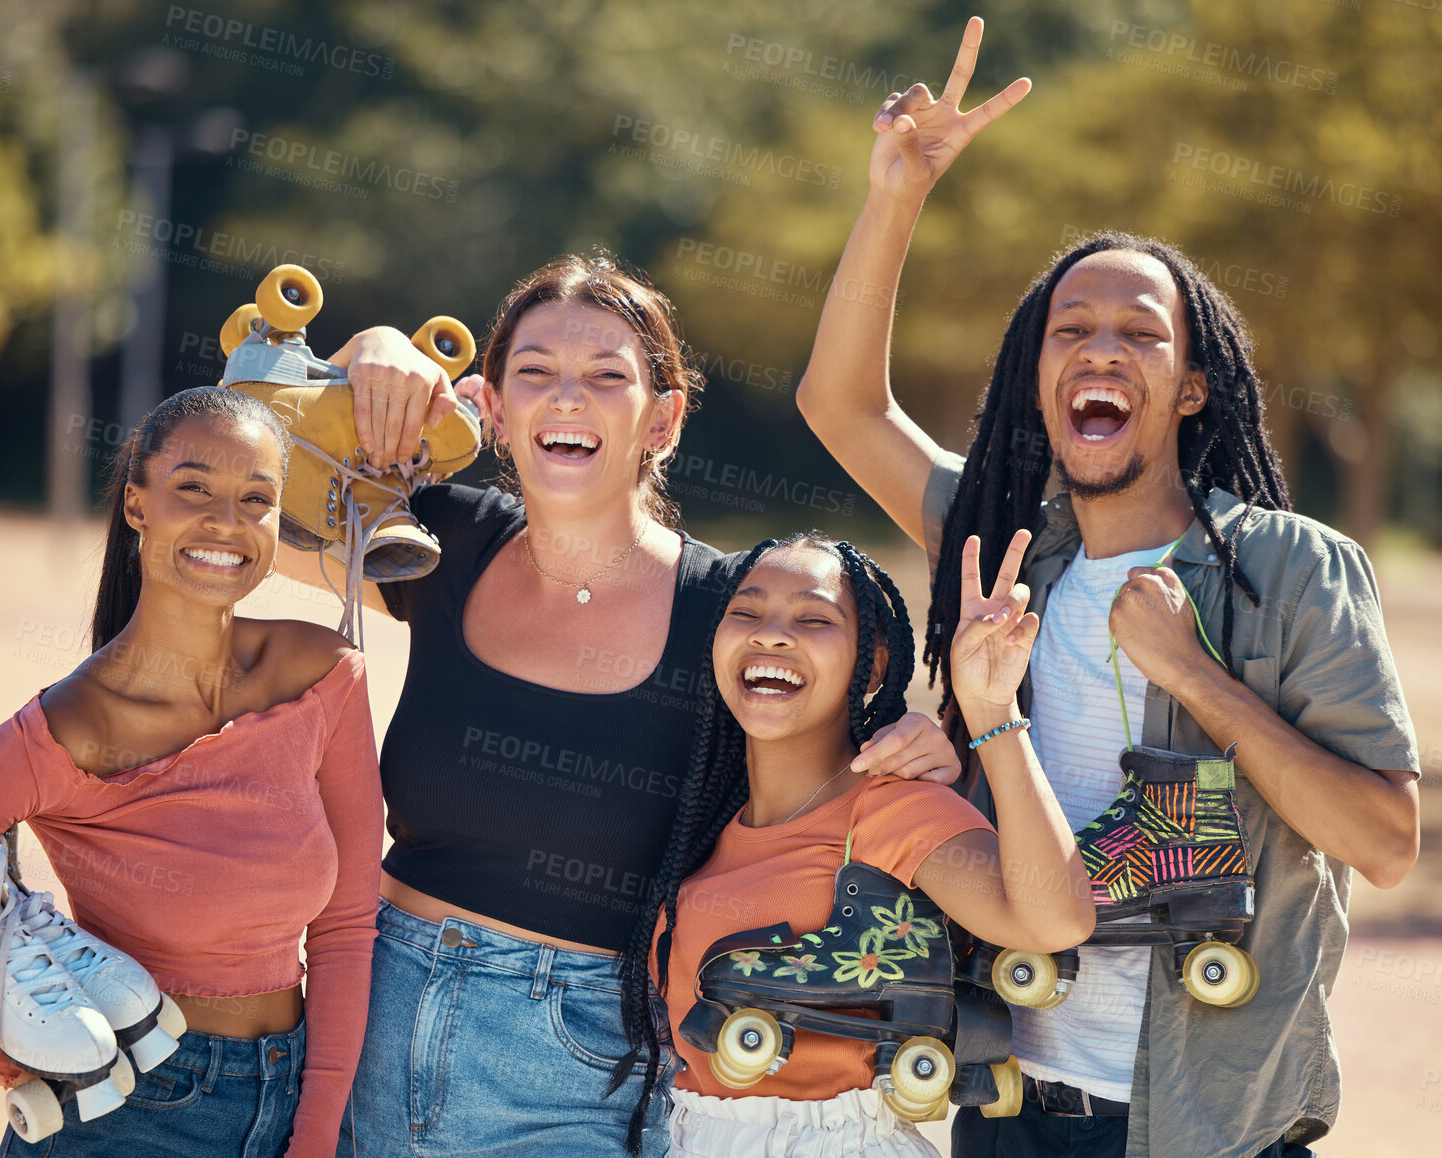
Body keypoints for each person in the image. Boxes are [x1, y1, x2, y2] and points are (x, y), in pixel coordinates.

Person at [794, 17, 1421, 1158]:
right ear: (1036, 380)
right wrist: (897, 195)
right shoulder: (1004, 550)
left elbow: (1381, 842)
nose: (1099, 349)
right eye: (1068, 330)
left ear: (1191, 387)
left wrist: (1189, 675)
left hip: (1205, 1123)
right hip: (1010, 1107)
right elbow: (841, 409)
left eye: (1140, 333)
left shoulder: (1287, 566)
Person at [262, 253, 962, 1157]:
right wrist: (366, 354)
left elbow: (839, 765)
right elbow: (216, 501)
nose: (566, 398)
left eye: (605, 376)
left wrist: (922, 746)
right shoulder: (438, 541)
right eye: (535, 374)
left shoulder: (730, 609)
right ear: (491, 407)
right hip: (370, 1012)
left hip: (587, 1051)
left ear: (662, 419)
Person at [0, 385, 385, 1158]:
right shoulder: (71, 729)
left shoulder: (323, 676)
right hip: (123, 1116)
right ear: (137, 506)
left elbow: (345, 929)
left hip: (292, 1094)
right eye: (194, 489)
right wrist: (0, 1060)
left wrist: (314, 1134)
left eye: (257, 499)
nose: (227, 523)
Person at [624, 530, 1094, 1158]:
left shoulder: (891, 807)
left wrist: (991, 712)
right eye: (746, 611)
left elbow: (1056, 919)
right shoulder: (703, 818)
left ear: (872, 664)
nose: (771, 633)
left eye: (813, 618)